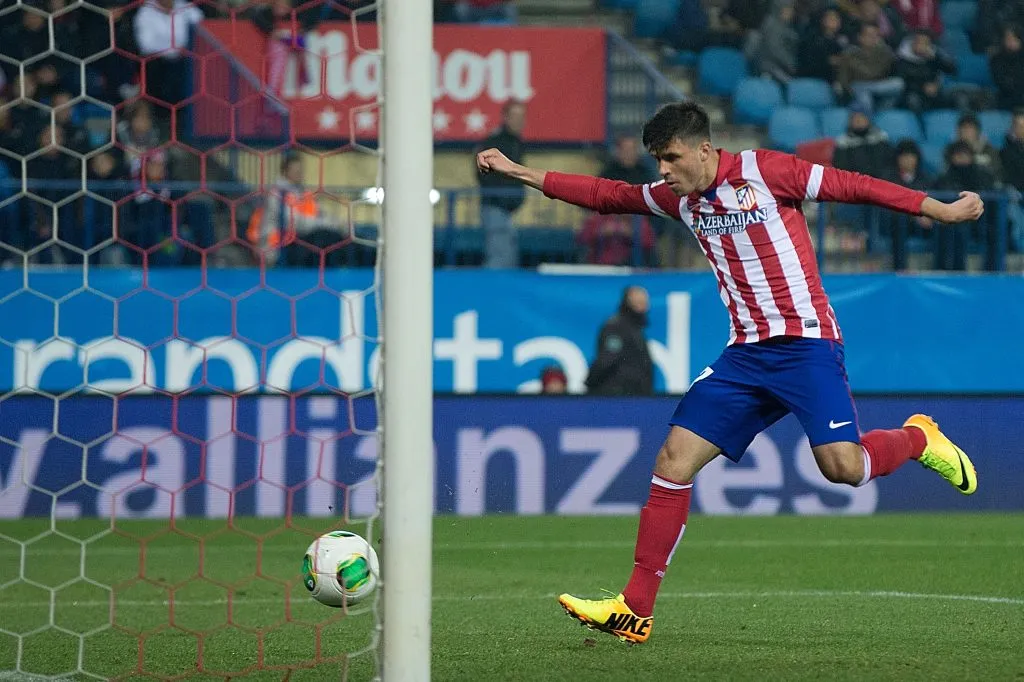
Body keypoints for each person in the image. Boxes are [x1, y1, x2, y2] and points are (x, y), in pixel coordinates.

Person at [477, 101, 982, 644]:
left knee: (844, 469)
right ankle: (635, 608)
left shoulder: (767, 173)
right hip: (744, 357)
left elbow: (855, 186)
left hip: (805, 344)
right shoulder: (680, 199)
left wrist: (940, 210)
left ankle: (917, 437)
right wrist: (523, 173)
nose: (662, 173)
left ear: (703, 149)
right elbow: (608, 196)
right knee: (674, 458)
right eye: (656, 161)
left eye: (670, 159)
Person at [475, 101, 526, 268]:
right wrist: (504, 198)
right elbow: (482, 173)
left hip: (509, 211)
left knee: (508, 256)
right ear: (505, 118)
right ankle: (488, 292)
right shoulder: (495, 142)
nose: (519, 121)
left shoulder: (517, 142)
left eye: (522, 117)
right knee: (500, 258)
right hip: (496, 208)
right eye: (515, 117)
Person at [585, 286, 654, 396]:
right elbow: (607, 360)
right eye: (639, 302)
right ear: (628, 302)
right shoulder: (617, 327)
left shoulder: (636, 329)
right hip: (617, 397)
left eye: (645, 302)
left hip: (635, 397)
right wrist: (590, 382)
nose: (644, 306)